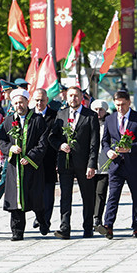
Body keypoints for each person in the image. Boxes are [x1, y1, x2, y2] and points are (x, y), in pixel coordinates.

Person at [96, 90, 137, 239]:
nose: (120, 108)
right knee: (113, 196)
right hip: (116, 165)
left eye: (123, 105)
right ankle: (108, 226)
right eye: (117, 105)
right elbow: (105, 141)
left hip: (134, 164)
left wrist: (131, 148)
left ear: (129, 103)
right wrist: (108, 152)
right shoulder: (110, 119)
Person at [0, 88, 50, 240]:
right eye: (15, 103)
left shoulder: (37, 120)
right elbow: (1, 140)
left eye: (21, 102)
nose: (18, 105)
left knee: (36, 199)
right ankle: (17, 231)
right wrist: (10, 148)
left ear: (27, 102)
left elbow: (42, 143)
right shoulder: (8, 121)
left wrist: (30, 157)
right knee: (15, 200)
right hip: (15, 167)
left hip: (32, 167)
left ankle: (42, 222)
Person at [49, 86, 99, 239]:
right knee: (65, 196)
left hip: (84, 163)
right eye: (70, 96)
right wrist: (60, 145)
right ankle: (65, 228)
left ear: (81, 97)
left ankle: (88, 227)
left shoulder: (90, 116)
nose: (73, 99)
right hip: (65, 163)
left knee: (87, 196)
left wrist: (92, 164)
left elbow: (94, 143)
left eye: (76, 96)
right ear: (66, 97)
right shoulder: (61, 114)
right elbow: (52, 136)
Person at [32, 88, 58, 230]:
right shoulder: (29, 116)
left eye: (42, 100)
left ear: (47, 100)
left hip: (49, 160)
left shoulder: (55, 116)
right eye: (36, 100)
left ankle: (45, 221)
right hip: (33, 161)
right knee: (35, 192)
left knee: (48, 193)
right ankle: (39, 216)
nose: (39, 103)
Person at [91, 99, 111, 228]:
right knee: (90, 192)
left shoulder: (109, 123)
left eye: (101, 109)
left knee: (100, 192)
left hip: (105, 164)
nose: (98, 112)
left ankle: (97, 217)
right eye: (96, 109)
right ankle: (90, 215)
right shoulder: (89, 122)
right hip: (91, 163)